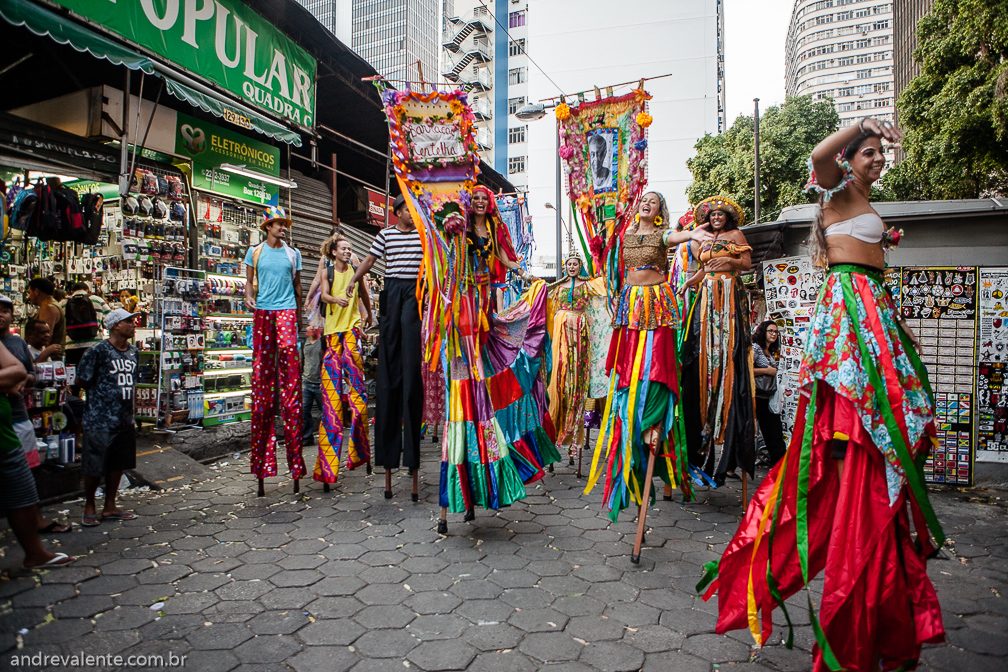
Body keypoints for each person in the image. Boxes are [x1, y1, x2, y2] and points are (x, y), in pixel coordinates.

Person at [699, 117, 945, 672]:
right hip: (851, 312)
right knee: (858, 425)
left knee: (889, 428)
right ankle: (844, 461)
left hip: (871, 308)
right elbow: (817, 154)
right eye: (868, 153)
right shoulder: (835, 188)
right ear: (850, 157)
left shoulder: (861, 197)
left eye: (882, 154)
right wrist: (859, 125)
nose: (877, 160)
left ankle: (858, 475)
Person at [585, 191, 711, 562]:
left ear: (660, 212)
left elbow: (673, 238)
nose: (648, 203)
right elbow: (604, 245)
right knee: (629, 368)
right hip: (629, 302)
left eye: (655, 201)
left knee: (655, 364)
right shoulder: (624, 235)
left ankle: (653, 418)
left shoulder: (662, 234)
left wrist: (691, 235)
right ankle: (634, 426)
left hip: (655, 300)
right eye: (646, 199)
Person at [432, 185, 557, 532]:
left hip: (484, 315)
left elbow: (504, 259)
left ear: (491, 206)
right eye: (476, 199)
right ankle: (457, 499)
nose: (481, 203)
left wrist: (526, 274)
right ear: (469, 205)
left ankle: (476, 491)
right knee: (462, 405)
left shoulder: (493, 231)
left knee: (491, 383)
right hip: (462, 320)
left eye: (486, 200)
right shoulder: (459, 231)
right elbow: (448, 262)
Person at [346, 194, 424, 500]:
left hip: (415, 291)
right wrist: (355, 278)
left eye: (412, 210)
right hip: (392, 288)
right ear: (398, 213)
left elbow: (435, 263)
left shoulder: (423, 234)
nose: (409, 213)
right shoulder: (385, 235)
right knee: (389, 359)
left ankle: (413, 458)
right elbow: (369, 261)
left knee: (410, 354)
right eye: (406, 210)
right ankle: (389, 459)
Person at [680, 196, 757, 487]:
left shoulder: (735, 235)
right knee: (701, 351)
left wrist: (731, 259)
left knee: (728, 350)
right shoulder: (702, 239)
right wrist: (691, 281)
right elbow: (705, 268)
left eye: (720, 215)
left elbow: (747, 263)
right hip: (706, 295)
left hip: (728, 294)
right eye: (712, 215)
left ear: (727, 218)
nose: (716, 219)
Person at [244, 206, 306, 496]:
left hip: (286, 312)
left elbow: (297, 287)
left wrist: (300, 320)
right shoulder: (254, 252)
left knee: (291, 384)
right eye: (278, 224)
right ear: (267, 227)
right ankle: (262, 465)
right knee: (263, 386)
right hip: (264, 313)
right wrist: (248, 297)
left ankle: (295, 464)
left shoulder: (293, 254)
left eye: (284, 224)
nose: (283, 228)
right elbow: (248, 282)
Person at [0, 339, 75, 569]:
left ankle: (35, 553)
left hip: (5, 434)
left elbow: (18, 371)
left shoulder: (13, 344)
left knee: (22, 494)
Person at [0, 297, 71, 534]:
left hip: (20, 416)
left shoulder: (17, 343)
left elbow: (30, 374)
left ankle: (35, 519)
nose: (1, 315)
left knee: (27, 471)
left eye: (5, 311)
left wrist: (19, 381)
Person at [317, 235, 374, 489]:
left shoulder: (355, 268)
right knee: (331, 401)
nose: (348, 252)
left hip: (351, 332)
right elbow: (324, 295)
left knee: (358, 396)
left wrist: (369, 314)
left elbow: (363, 293)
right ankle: (327, 468)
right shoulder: (326, 269)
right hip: (331, 337)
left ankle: (360, 453)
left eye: (350, 249)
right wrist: (333, 300)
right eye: (343, 248)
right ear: (333, 251)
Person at [76, 308, 139, 527]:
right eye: (128, 321)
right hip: (100, 418)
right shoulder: (98, 351)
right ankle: (90, 505)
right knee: (94, 464)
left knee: (117, 463)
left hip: (125, 417)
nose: (133, 324)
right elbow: (82, 380)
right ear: (115, 325)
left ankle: (110, 505)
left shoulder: (133, 352)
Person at [546, 254, 608, 471]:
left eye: (575, 264)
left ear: (580, 266)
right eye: (569, 264)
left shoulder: (588, 285)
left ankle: (575, 439)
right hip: (562, 336)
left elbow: (606, 290)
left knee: (577, 384)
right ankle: (556, 436)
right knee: (561, 382)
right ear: (565, 267)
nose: (572, 267)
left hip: (580, 336)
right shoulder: (557, 287)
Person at [64, 281, 111, 391]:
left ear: (72, 292)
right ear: (88, 290)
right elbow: (111, 318)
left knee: (72, 381)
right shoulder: (97, 300)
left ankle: (75, 403)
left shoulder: (64, 302)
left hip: (71, 348)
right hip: (94, 346)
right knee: (94, 381)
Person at [751, 320, 786, 467]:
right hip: (756, 396)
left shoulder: (770, 352)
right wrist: (766, 371)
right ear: (763, 332)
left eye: (776, 332)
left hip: (768, 397)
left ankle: (780, 464)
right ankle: (730, 466)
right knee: (747, 432)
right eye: (770, 331)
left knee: (774, 433)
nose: (774, 334)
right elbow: (746, 369)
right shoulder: (756, 349)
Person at [27, 277, 66, 353]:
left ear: (36, 291)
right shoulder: (51, 305)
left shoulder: (48, 308)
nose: (29, 296)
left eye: (30, 292)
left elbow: (45, 339)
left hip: (49, 359)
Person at [301, 327, 324, 446]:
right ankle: (307, 437)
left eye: (315, 326)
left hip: (320, 382)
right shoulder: (304, 343)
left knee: (325, 411)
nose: (313, 328)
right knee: (304, 411)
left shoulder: (323, 342)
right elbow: (301, 361)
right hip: (306, 381)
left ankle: (328, 435)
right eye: (310, 325)